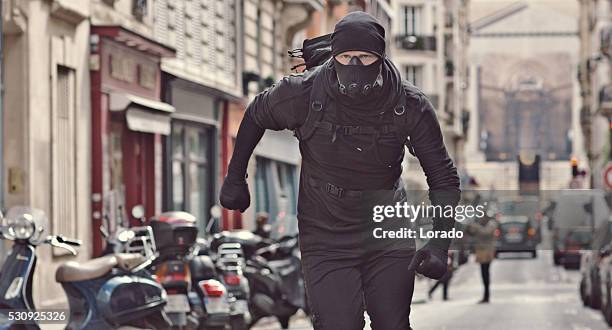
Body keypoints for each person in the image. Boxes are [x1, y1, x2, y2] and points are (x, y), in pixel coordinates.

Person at [220, 12, 460, 329]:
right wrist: (236, 178)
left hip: (386, 228)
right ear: (334, 56)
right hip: (325, 231)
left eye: (364, 57)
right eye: (346, 57)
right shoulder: (303, 93)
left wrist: (440, 243)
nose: (355, 66)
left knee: (392, 323)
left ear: (380, 56)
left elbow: (443, 176)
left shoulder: (410, 105)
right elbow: (255, 114)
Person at [468, 215, 497, 303]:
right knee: (484, 274)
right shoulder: (479, 226)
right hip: (481, 252)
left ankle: (486, 296)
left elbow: (485, 233)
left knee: (486, 274)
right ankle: (486, 295)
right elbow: (471, 232)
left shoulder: (491, 225)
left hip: (487, 252)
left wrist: (475, 226)